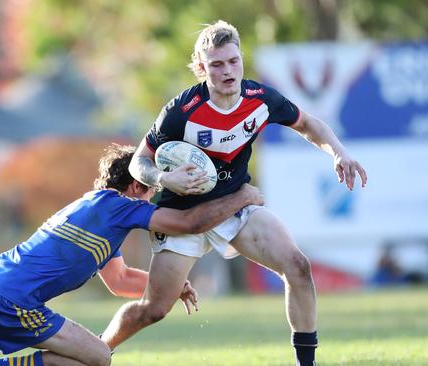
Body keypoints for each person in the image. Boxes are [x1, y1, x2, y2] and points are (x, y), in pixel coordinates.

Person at [0, 144, 264, 366]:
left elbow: (119, 281)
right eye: (151, 187)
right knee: (97, 358)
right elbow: (189, 225)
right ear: (136, 185)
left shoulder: (99, 211)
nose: (155, 193)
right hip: (13, 299)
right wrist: (243, 195)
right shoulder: (119, 206)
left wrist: (173, 284)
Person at [99, 20, 368, 366]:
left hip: (234, 207)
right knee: (154, 310)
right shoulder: (182, 110)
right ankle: (96, 350)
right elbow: (140, 162)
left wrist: (339, 153)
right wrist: (166, 180)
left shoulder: (260, 100)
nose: (227, 71)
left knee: (297, 266)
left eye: (233, 61)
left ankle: (307, 364)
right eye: (216, 64)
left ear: (242, 59)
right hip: (182, 217)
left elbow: (309, 124)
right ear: (201, 68)